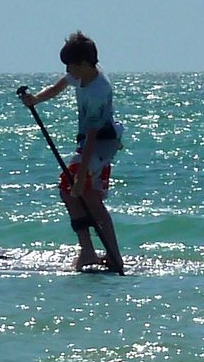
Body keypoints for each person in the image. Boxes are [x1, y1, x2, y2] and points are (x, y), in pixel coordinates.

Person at [21, 32, 126, 273]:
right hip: (90, 143)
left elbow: (91, 136)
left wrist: (79, 177)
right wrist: (35, 100)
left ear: (85, 64)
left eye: (71, 65)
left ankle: (106, 255)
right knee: (81, 194)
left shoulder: (99, 91)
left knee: (73, 189)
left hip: (100, 143)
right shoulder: (80, 75)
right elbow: (59, 86)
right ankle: (91, 251)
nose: (68, 71)